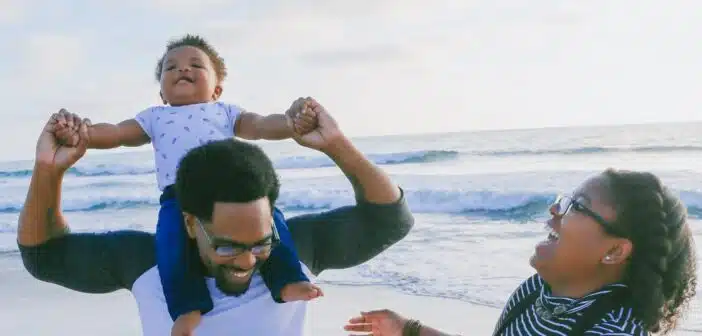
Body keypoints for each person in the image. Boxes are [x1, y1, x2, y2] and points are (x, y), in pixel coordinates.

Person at [18, 99, 415, 335]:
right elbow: (44, 256)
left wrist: (337, 145)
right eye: (227, 246)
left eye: (261, 242)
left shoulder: (294, 251)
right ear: (190, 223)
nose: (247, 261)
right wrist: (48, 171)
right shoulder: (149, 262)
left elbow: (390, 220)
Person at [52, 34, 321, 335]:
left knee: (273, 226)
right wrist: (83, 133)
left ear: (217, 89)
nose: (182, 70)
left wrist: (291, 124)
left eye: (195, 65)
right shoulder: (154, 117)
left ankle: (287, 281)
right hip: (177, 196)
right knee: (169, 247)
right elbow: (116, 133)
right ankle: (187, 307)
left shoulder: (226, 112)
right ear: (162, 93)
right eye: (171, 68)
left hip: (228, 191)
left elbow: (259, 126)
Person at [344, 170, 697, 336]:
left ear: (615, 251)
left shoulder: (611, 332)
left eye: (577, 206)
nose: (555, 210)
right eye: (564, 199)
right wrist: (408, 329)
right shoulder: (537, 291)